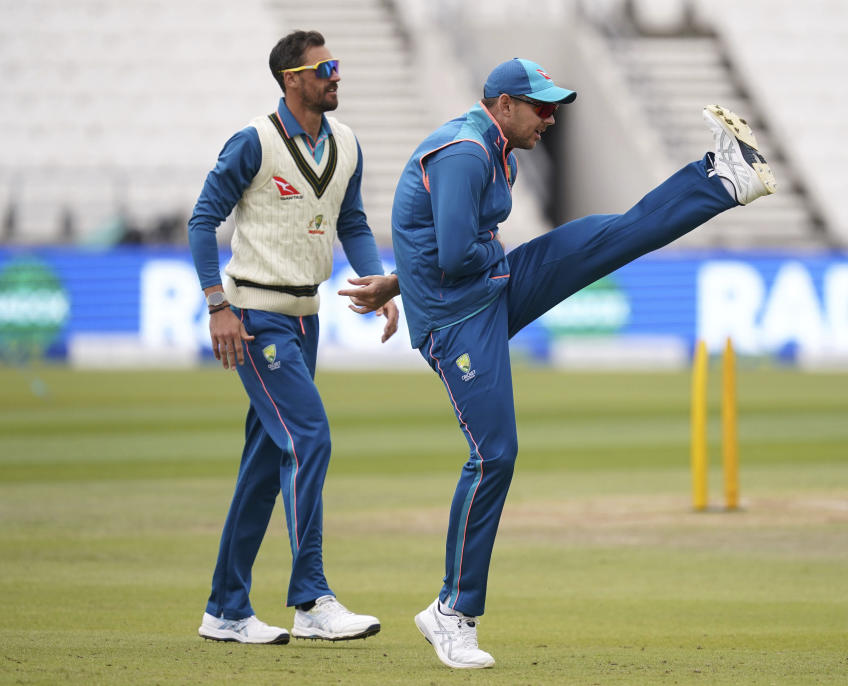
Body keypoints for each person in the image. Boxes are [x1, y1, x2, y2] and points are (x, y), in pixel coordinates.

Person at [338, 58, 776, 668]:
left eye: (553, 106)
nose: (550, 117)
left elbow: (436, 244)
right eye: (540, 105)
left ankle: (723, 178)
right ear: (502, 104)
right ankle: (450, 613)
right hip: (456, 321)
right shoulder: (466, 154)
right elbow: (458, 250)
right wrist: (405, 284)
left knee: (608, 236)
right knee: (495, 455)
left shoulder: (498, 152)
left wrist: (393, 282)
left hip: (490, 286)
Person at [188, 30, 398, 645]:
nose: (336, 75)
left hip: (305, 320)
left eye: (337, 65)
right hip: (256, 319)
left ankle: (226, 610)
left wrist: (377, 281)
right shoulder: (255, 140)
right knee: (309, 439)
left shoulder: (348, 143)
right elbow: (203, 220)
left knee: (264, 463)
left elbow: (352, 220)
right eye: (324, 67)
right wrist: (217, 305)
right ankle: (311, 597)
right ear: (292, 78)